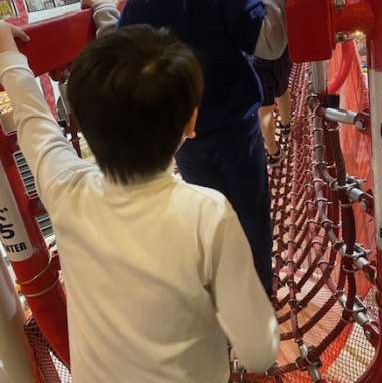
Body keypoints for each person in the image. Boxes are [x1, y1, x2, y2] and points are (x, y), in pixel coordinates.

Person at [0, 21, 280, 383]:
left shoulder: (66, 187)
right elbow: (258, 350)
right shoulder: (207, 212)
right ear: (191, 122)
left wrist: (8, 51)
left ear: (83, 125)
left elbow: (34, 121)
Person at [84, 0, 326, 296]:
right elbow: (269, 44)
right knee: (251, 214)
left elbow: (117, 43)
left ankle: (223, 292)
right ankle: (259, 292)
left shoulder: (143, 1)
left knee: (210, 216)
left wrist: (102, 6)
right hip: (236, 131)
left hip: (184, 138)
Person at [240, 0, 293, 166]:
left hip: (253, 52)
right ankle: (287, 126)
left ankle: (273, 152)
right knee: (283, 89)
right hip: (279, 46)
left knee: (264, 106)